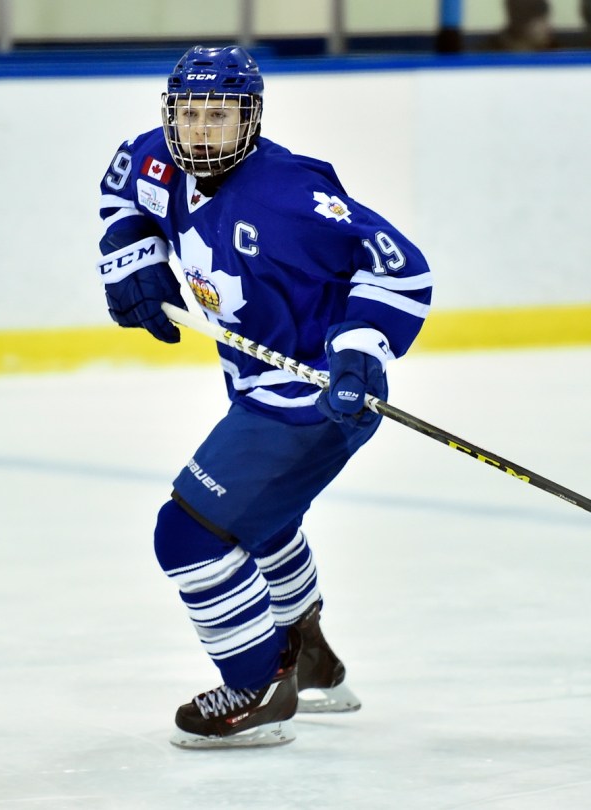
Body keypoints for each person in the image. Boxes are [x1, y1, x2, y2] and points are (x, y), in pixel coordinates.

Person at [96, 45, 433, 749]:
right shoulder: (158, 158)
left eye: (219, 115)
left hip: (317, 401)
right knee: (262, 520)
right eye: (189, 114)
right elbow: (122, 193)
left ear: (249, 117)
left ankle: (257, 686)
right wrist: (132, 256)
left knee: (187, 534)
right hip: (256, 389)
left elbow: (400, 267)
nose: (201, 131)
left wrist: (359, 349)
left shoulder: (287, 194)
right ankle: (310, 658)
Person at [499, 0, 591, 50]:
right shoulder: (496, 53)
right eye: (541, 21)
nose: (548, 27)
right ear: (522, 24)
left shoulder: (557, 50)